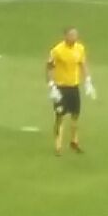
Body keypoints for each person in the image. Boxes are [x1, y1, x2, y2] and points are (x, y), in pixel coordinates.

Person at [45, 27, 95, 156]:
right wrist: (51, 85)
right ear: (65, 36)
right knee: (60, 117)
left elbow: (83, 64)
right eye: (71, 35)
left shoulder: (80, 48)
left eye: (76, 35)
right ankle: (58, 145)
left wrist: (88, 81)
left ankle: (74, 141)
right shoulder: (57, 50)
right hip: (61, 88)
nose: (74, 37)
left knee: (75, 115)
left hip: (74, 87)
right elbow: (49, 67)